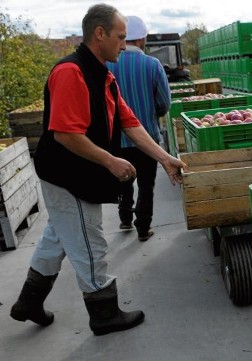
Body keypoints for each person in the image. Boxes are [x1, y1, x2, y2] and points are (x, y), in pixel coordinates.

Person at [10, 3, 186, 336]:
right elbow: (65, 134)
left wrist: (164, 158)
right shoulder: (70, 72)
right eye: (120, 37)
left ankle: (28, 302)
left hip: (80, 172)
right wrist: (110, 160)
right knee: (90, 241)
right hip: (68, 175)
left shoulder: (103, 74)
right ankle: (104, 313)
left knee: (57, 237)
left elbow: (129, 122)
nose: (124, 43)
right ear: (100, 33)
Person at [106, 15, 171, 242]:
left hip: (116, 140)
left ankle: (124, 217)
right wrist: (153, 114)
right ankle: (143, 227)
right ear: (142, 39)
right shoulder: (152, 65)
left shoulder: (107, 65)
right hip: (148, 138)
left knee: (123, 180)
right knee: (146, 183)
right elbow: (164, 103)